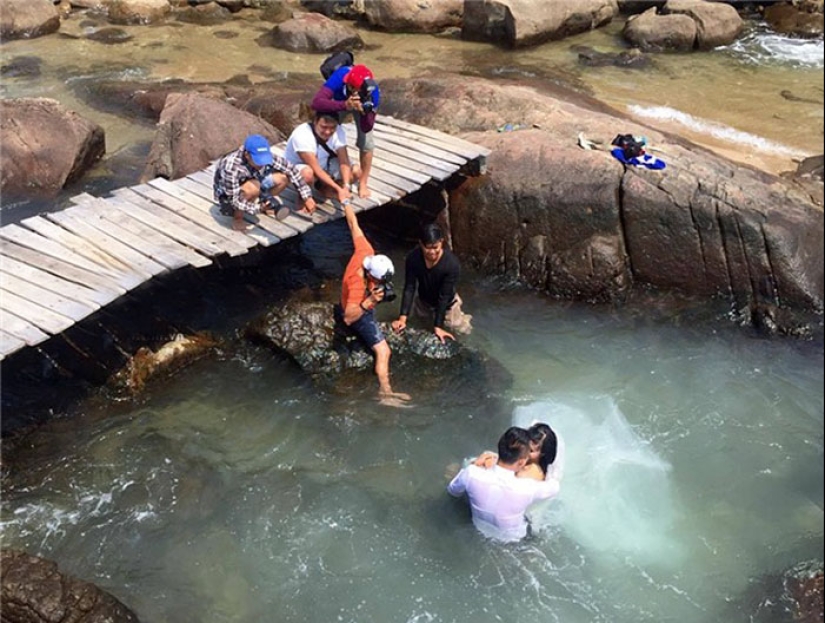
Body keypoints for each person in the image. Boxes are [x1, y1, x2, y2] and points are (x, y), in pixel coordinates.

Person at [336, 200, 410, 406]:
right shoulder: (357, 285)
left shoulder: (365, 252)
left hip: (356, 300)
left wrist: (346, 202)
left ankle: (385, 392)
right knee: (384, 351)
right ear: (372, 276)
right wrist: (368, 303)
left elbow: (354, 225)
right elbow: (349, 318)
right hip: (355, 308)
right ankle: (385, 392)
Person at [448, 427, 562, 542]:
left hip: (479, 528)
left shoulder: (471, 473)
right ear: (522, 462)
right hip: (514, 539)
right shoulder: (527, 488)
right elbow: (555, 487)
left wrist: (475, 465)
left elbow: (453, 491)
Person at [213, 134, 317, 231]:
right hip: (228, 195)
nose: (262, 164)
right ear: (247, 155)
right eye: (258, 161)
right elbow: (234, 200)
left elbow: (291, 170)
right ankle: (237, 218)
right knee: (253, 187)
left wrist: (307, 197)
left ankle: (265, 204)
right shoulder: (231, 166)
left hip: (254, 180)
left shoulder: (263, 154)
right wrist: (257, 208)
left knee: (283, 178)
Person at [391, 223, 472, 343]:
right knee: (421, 325)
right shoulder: (413, 259)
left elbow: (444, 297)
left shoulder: (451, 264)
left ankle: (465, 318)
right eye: (428, 248)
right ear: (420, 244)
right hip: (424, 301)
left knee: (460, 330)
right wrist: (402, 318)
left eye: (436, 247)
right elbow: (410, 287)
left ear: (442, 242)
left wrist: (438, 327)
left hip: (447, 303)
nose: (432, 252)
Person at [311, 64, 379, 199]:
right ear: (348, 85)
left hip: (360, 107)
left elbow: (367, 127)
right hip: (340, 102)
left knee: (367, 142)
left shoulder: (374, 93)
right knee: (324, 129)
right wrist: (344, 105)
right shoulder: (340, 76)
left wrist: (365, 113)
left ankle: (363, 182)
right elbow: (316, 103)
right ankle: (318, 169)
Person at [284, 112, 360, 206]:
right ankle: (304, 198)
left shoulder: (339, 130)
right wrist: (339, 189)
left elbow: (344, 161)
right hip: (301, 168)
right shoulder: (302, 135)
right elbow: (316, 168)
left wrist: (346, 185)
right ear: (315, 122)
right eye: (324, 127)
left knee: (356, 171)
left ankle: (325, 189)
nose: (328, 132)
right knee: (307, 174)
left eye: (332, 128)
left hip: (325, 163)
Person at [474, 422, 565, 483]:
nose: (526, 452)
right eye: (526, 446)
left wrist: (489, 463)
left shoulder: (532, 472)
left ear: (543, 453)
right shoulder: (525, 462)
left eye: (531, 451)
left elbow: (509, 487)